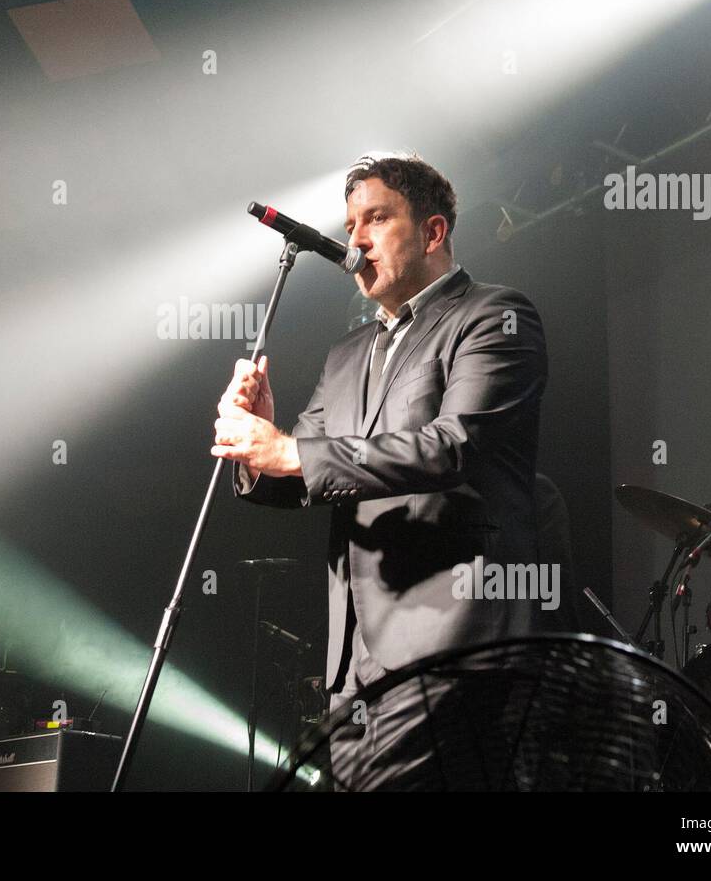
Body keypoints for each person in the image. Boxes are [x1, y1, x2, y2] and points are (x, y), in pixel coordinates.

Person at [213, 153, 550, 789]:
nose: (356, 239)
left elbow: (454, 446)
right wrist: (261, 441)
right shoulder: (346, 355)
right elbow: (305, 473)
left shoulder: (493, 317)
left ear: (433, 231)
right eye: (349, 224)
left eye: (376, 218)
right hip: (354, 666)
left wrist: (292, 451)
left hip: (454, 648)